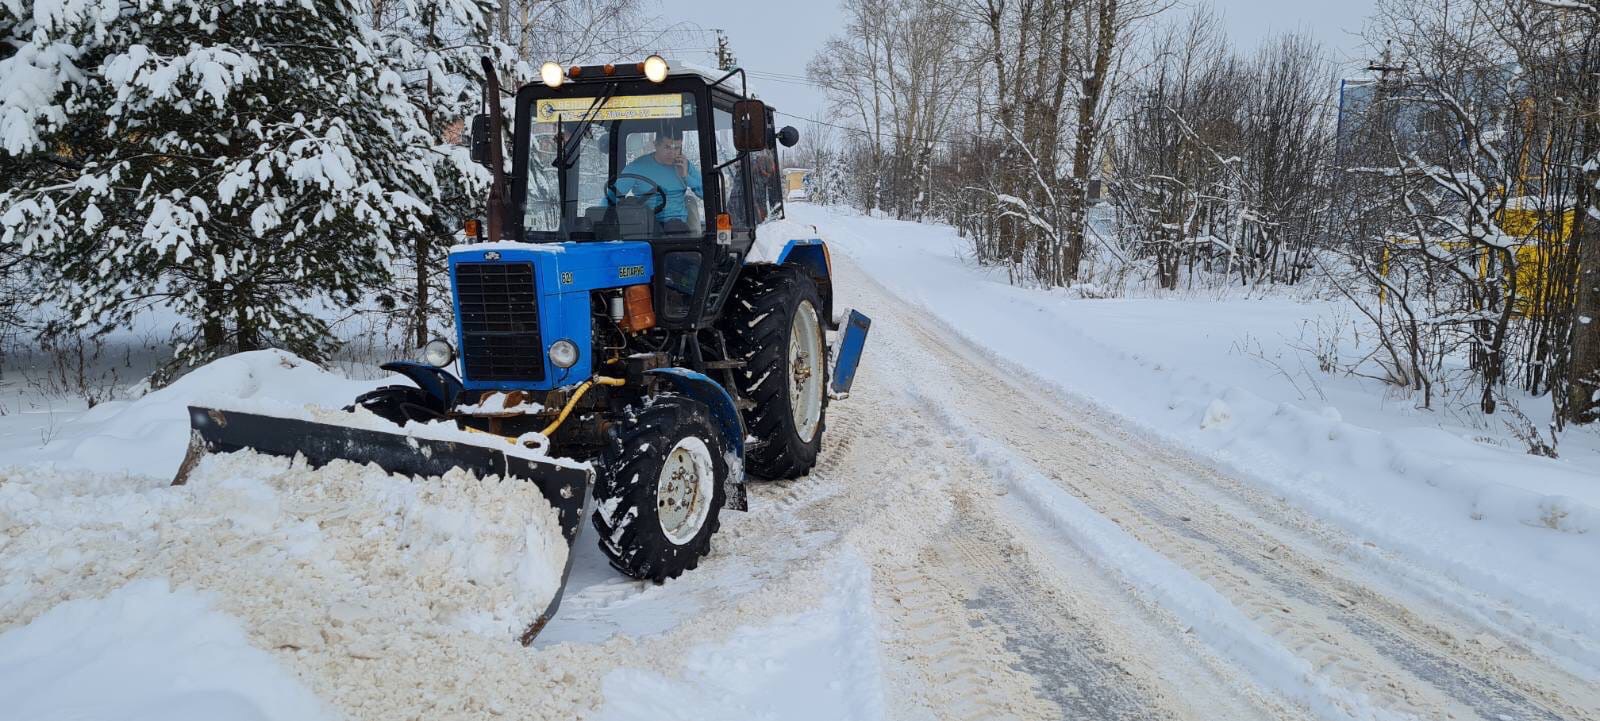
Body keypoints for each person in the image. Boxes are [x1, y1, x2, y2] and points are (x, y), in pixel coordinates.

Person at [611, 130, 703, 232]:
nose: (672, 153)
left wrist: (686, 176)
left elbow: (706, 194)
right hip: (644, 221)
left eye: (677, 148)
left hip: (675, 223)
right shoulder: (638, 167)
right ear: (656, 145)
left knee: (674, 228)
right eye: (667, 147)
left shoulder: (684, 165)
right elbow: (613, 195)